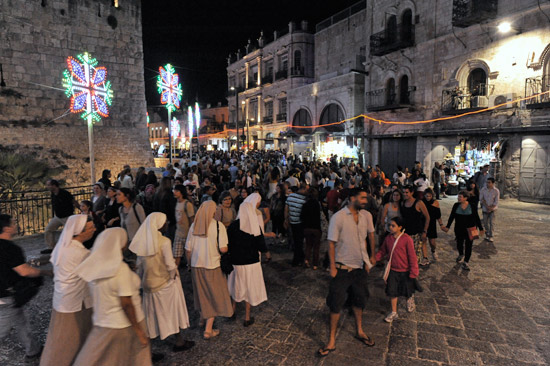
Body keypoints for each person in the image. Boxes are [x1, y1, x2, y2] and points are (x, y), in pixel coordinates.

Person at [74, 228, 152, 366]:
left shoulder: (94, 265)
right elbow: (126, 303)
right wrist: (139, 331)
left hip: (103, 322)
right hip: (126, 324)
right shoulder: (120, 270)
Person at [318, 188, 375, 357]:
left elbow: (371, 236)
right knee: (336, 304)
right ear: (351, 199)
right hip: (342, 268)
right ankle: (331, 341)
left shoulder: (367, 216)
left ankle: (359, 330)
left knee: (359, 301)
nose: (365, 200)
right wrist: (333, 267)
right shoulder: (338, 217)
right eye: (362, 197)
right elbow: (331, 243)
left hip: (360, 268)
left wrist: (371, 256)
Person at [129, 213, 194, 352]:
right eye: (165, 222)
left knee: (151, 317)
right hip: (165, 284)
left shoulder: (143, 242)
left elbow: (139, 266)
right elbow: (170, 265)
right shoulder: (164, 241)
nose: (167, 224)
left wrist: (140, 284)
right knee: (172, 312)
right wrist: (173, 277)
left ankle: (149, 350)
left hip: (148, 285)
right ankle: (179, 341)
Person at [40, 216, 96, 366]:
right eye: (91, 228)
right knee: (66, 343)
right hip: (74, 302)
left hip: (63, 299)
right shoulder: (80, 253)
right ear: (80, 232)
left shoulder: (64, 245)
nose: (94, 230)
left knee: (63, 340)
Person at [0, 214, 50, 362]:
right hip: (5, 296)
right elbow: (24, 271)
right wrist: (45, 272)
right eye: (13, 223)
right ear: (7, 228)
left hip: (9, 297)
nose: (16, 225)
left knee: (20, 321)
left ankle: (32, 350)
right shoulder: (11, 248)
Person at [185, 201, 233, 339]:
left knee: (201, 294)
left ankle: (202, 318)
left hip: (196, 266)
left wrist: (189, 264)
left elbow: (188, 250)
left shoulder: (194, 226)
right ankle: (208, 330)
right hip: (213, 265)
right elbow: (224, 249)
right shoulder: (219, 226)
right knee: (214, 297)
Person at [226, 197, 272, 327]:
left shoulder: (233, 226)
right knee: (249, 288)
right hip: (251, 263)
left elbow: (228, 243)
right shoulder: (254, 226)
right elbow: (261, 246)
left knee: (236, 286)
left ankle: (232, 311)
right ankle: (247, 317)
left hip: (236, 262)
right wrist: (267, 255)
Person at [374, 217, 420, 323]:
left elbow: (412, 256)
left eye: (393, 225)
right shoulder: (388, 239)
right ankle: (394, 312)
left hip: (405, 270)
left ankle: (410, 298)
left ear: (400, 227)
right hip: (393, 270)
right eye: (389, 225)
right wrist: (375, 258)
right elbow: (383, 251)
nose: (390, 227)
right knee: (392, 291)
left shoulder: (407, 239)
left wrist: (414, 271)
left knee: (406, 290)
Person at [442, 191, 484, 271]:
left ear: (465, 198)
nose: (458, 198)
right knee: (459, 243)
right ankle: (461, 254)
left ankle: (466, 262)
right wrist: (448, 226)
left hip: (471, 229)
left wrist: (481, 228)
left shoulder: (472, 206)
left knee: (469, 245)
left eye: (460, 197)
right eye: (458, 197)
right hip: (459, 228)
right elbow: (452, 216)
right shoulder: (456, 205)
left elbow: (476, 218)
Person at [42, 179, 78, 254]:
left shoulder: (64, 193)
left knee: (69, 233)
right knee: (48, 229)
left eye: (49, 185)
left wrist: (81, 209)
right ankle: (51, 247)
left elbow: (73, 201)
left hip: (67, 217)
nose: (47, 187)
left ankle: (71, 247)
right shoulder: (53, 193)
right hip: (58, 217)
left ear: (54, 185)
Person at [401, 186, 431, 266]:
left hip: (417, 233)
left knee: (415, 257)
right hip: (406, 233)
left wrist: (425, 231)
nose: (405, 194)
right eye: (403, 192)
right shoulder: (403, 203)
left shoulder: (419, 203)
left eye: (406, 192)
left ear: (412, 193)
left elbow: (427, 217)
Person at [285, 183, 308, 266]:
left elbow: (286, 209)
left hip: (292, 221)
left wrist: (286, 219)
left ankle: (300, 257)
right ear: (304, 189)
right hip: (300, 222)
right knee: (299, 241)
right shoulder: (304, 199)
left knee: (296, 240)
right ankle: (297, 259)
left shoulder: (290, 197)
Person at [173, 185, 195, 267]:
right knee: (176, 256)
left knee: (189, 257)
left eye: (176, 191)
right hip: (178, 233)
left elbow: (191, 219)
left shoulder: (187, 204)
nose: (174, 192)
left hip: (187, 235)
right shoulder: (176, 203)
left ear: (181, 192)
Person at [301, 188, 322, 269]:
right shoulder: (317, 204)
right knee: (316, 247)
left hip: (307, 227)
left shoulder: (305, 204)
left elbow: (302, 216)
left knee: (308, 245)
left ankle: (306, 260)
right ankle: (315, 264)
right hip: (316, 227)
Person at [422, 189, 443, 261]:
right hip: (423, 223)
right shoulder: (421, 203)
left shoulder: (435, 203)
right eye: (426, 196)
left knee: (432, 242)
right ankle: (425, 257)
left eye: (429, 196)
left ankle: (433, 251)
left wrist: (441, 224)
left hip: (432, 224)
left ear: (432, 196)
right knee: (423, 240)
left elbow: (438, 215)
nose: (428, 197)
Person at [480, 177, 499, 242]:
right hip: (485, 208)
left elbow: (496, 201)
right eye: (487, 182)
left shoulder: (496, 191)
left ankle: (491, 235)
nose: (487, 184)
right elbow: (481, 199)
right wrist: (486, 206)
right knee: (485, 223)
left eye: (489, 182)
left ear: (493, 183)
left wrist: (491, 208)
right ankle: (487, 234)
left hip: (493, 209)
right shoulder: (483, 189)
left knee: (492, 223)